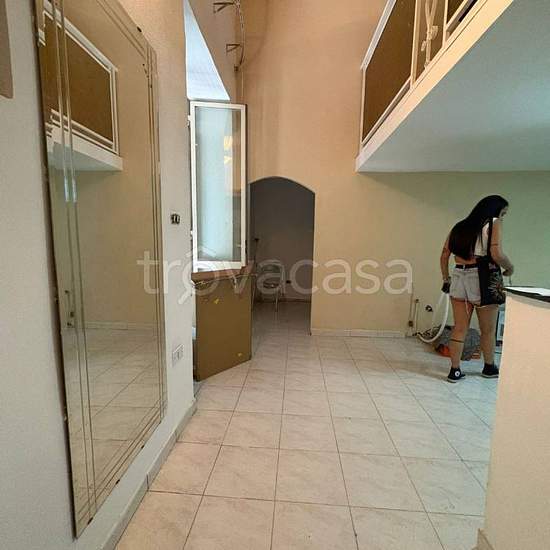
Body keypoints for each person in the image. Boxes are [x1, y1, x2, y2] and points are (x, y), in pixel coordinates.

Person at [440, 195, 514, 383]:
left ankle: (455, 370)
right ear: (495, 211)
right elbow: (496, 253)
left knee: (459, 328)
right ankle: (489, 367)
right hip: (482, 277)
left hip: (458, 275)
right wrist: (510, 267)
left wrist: (446, 278)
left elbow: (444, 254)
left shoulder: (459, 227)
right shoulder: (494, 222)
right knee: (487, 329)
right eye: (503, 213)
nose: (502, 217)